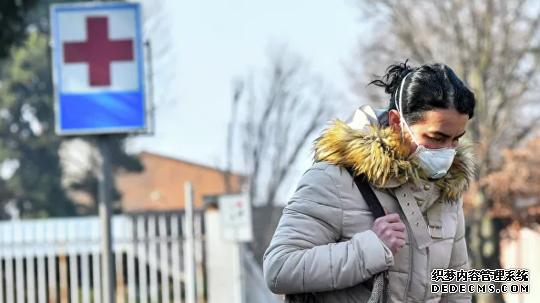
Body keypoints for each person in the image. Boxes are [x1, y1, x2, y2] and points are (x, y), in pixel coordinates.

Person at [262, 60, 476, 303]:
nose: (447, 151)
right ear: (397, 123)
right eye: (436, 138)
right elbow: (278, 269)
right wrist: (369, 249)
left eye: (456, 139)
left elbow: (456, 285)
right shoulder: (333, 179)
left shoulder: (447, 188)